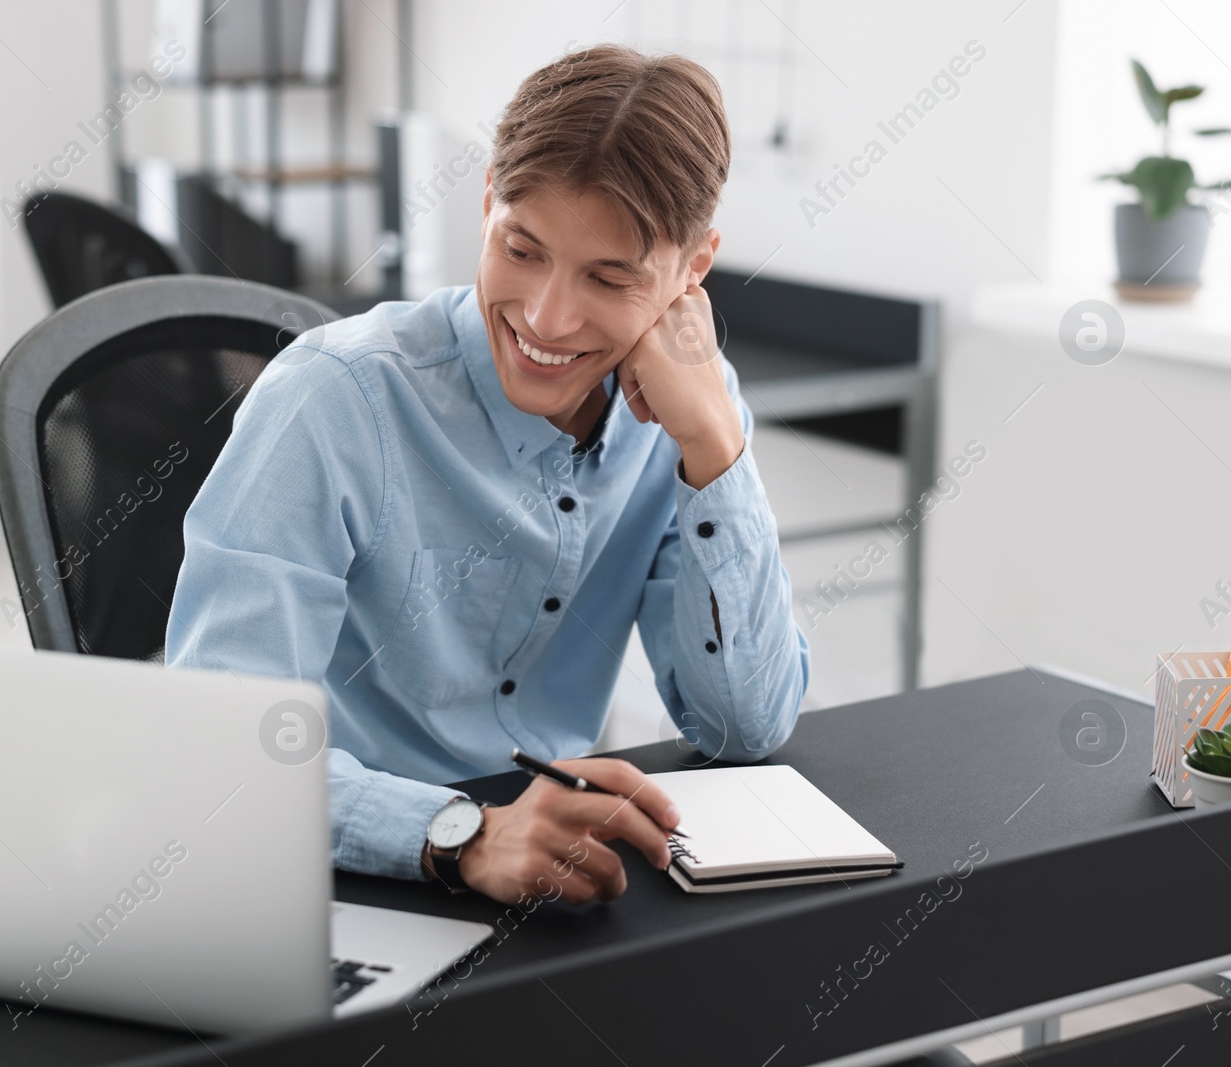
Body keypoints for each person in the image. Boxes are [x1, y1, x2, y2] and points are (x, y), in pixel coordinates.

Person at [166, 43, 809, 906]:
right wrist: (457, 832)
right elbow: (222, 753)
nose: (547, 315)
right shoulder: (333, 400)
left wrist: (716, 451)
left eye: (609, 277)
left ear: (691, 272)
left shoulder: (689, 411)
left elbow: (742, 729)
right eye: (522, 247)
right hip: (334, 875)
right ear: (485, 207)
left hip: (551, 870)